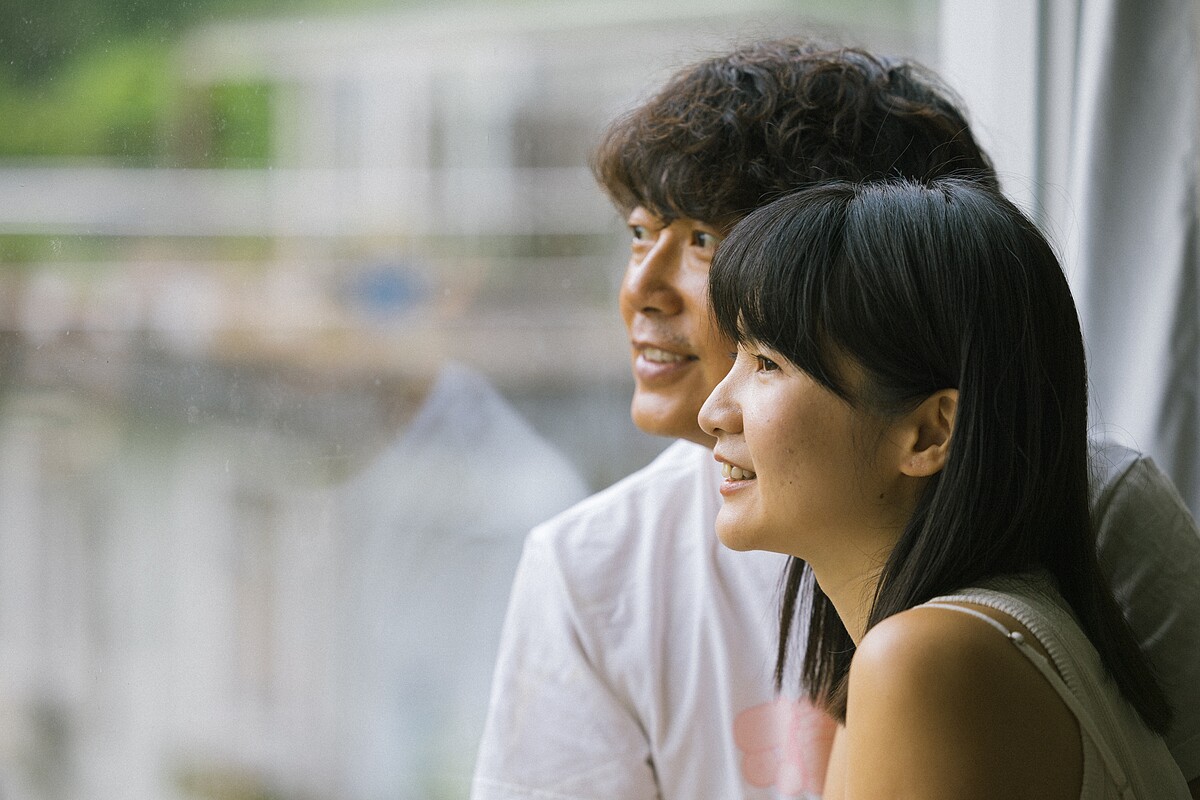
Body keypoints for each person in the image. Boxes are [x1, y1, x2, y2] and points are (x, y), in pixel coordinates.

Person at [471, 40, 1200, 800]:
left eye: (704, 241)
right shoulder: (591, 563)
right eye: (638, 233)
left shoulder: (1071, 524)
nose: (639, 290)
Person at [698, 176, 1189, 798]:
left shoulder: (926, 660)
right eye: (736, 357)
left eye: (767, 363)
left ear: (930, 433)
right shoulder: (958, 641)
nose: (713, 411)